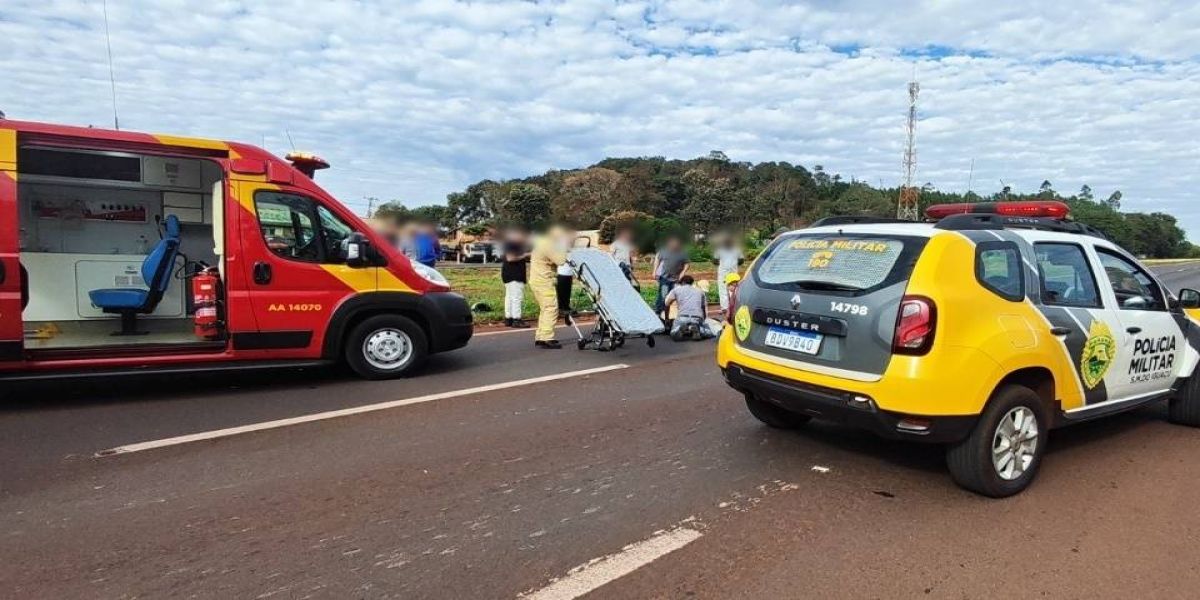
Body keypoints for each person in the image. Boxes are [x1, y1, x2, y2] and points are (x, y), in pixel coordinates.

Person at [529, 226, 572, 349]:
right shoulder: (548, 245)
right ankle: (548, 338)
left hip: (537, 280)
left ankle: (540, 336)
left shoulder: (542, 242)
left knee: (545, 309)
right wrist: (563, 244)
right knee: (551, 308)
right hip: (544, 281)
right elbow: (561, 260)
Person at [664, 275, 714, 340]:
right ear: (692, 282)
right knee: (709, 333)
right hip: (697, 317)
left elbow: (667, 304)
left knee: (673, 333)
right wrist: (703, 320)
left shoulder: (676, 290)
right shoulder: (700, 291)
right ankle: (698, 329)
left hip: (682, 317)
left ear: (682, 282)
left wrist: (667, 318)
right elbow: (703, 307)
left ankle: (680, 329)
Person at [652, 235, 689, 321]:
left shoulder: (682, 253)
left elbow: (687, 264)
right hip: (665, 279)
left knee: (673, 298)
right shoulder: (664, 251)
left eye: (676, 245)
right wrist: (654, 271)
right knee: (663, 296)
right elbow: (658, 259)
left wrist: (683, 272)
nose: (675, 246)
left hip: (676, 280)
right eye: (673, 244)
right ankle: (658, 313)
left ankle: (668, 317)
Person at [500, 228, 530, 328]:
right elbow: (511, 258)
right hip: (515, 275)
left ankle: (509, 319)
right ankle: (517, 319)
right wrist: (525, 255)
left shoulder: (508, 243)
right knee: (517, 297)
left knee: (509, 297)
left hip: (508, 274)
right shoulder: (513, 244)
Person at [714, 236, 744, 319]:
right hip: (729, 271)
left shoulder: (720, 249)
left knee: (727, 288)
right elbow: (741, 260)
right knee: (730, 288)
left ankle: (727, 308)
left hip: (727, 271)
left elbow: (715, 260)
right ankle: (728, 307)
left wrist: (725, 264)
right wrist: (733, 264)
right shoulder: (736, 249)